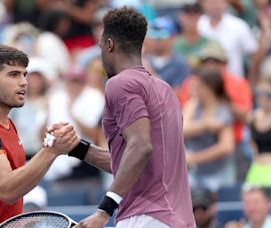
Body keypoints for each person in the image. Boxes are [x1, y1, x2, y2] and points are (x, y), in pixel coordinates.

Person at [74, 7, 195, 227]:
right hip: (179, 220)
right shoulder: (165, 89)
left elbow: (140, 147)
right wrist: (78, 148)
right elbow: (132, 163)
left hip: (147, 218)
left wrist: (104, 210)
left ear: (109, 45)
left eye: (100, 47)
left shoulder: (119, 84)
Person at [0, 44, 79, 227]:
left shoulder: (8, 124)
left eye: (24, 74)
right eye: (14, 75)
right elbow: (8, 191)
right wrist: (51, 151)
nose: (24, 82)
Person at [183, 68, 235, 192]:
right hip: (194, 174)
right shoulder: (193, 104)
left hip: (217, 173)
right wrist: (205, 125)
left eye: (199, 84)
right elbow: (181, 130)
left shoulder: (223, 111)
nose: (194, 87)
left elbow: (226, 147)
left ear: (208, 88)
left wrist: (195, 158)